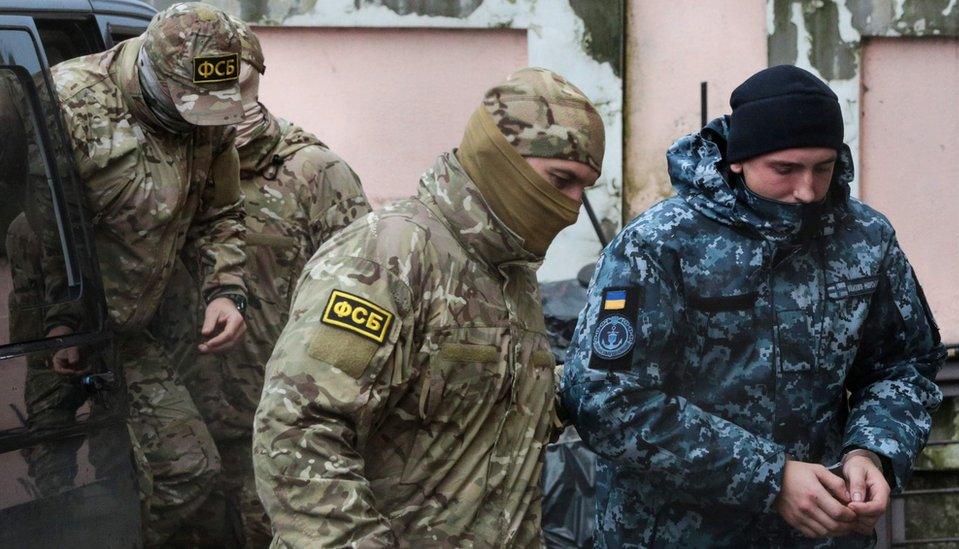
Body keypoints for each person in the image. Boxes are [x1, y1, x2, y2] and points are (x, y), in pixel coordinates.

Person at [561, 65, 945, 547]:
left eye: (822, 167)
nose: (806, 190)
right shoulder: (658, 245)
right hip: (677, 535)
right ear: (738, 160)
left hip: (823, 535)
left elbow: (904, 363)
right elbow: (604, 399)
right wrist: (771, 478)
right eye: (785, 169)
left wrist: (871, 451)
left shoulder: (865, 239)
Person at [253, 67, 604, 547]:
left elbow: (495, 409)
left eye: (584, 190)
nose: (571, 206)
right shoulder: (387, 256)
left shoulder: (510, 272)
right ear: (502, 160)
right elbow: (299, 430)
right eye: (561, 180)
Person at [47, 3, 249, 544]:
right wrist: (60, 321)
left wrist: (225, 291)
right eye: (189, 102)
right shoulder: (69, 103)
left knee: (187, 471)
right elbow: (35, 231)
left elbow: (220, 213)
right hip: (52, 327)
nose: (201, 116)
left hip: (135, 332)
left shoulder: (210, 111)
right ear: (154, 74)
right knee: (48, 487)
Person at [176, 17, 371, 547]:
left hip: (280, 428)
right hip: (182, 422)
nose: (227, 101)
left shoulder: (315, 174)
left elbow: (364, 304)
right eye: (209, 86)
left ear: (258, 79)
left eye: (237, 85)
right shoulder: (171, 167)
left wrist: (331, 404)